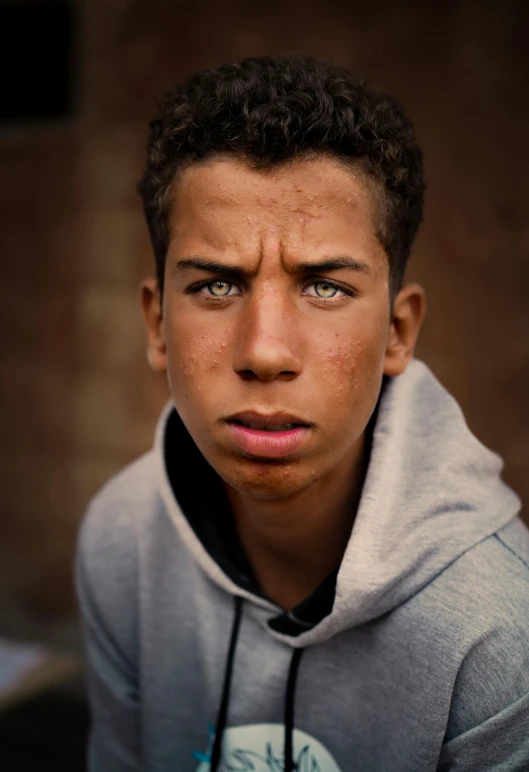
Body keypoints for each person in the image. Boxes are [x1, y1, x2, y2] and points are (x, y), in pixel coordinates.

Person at [75, 55, 529, 772]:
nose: (264, 352)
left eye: (322, 287)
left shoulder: (496, 630)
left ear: (398, 333)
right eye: (218, 285)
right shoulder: (120, 539)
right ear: (157, 325)